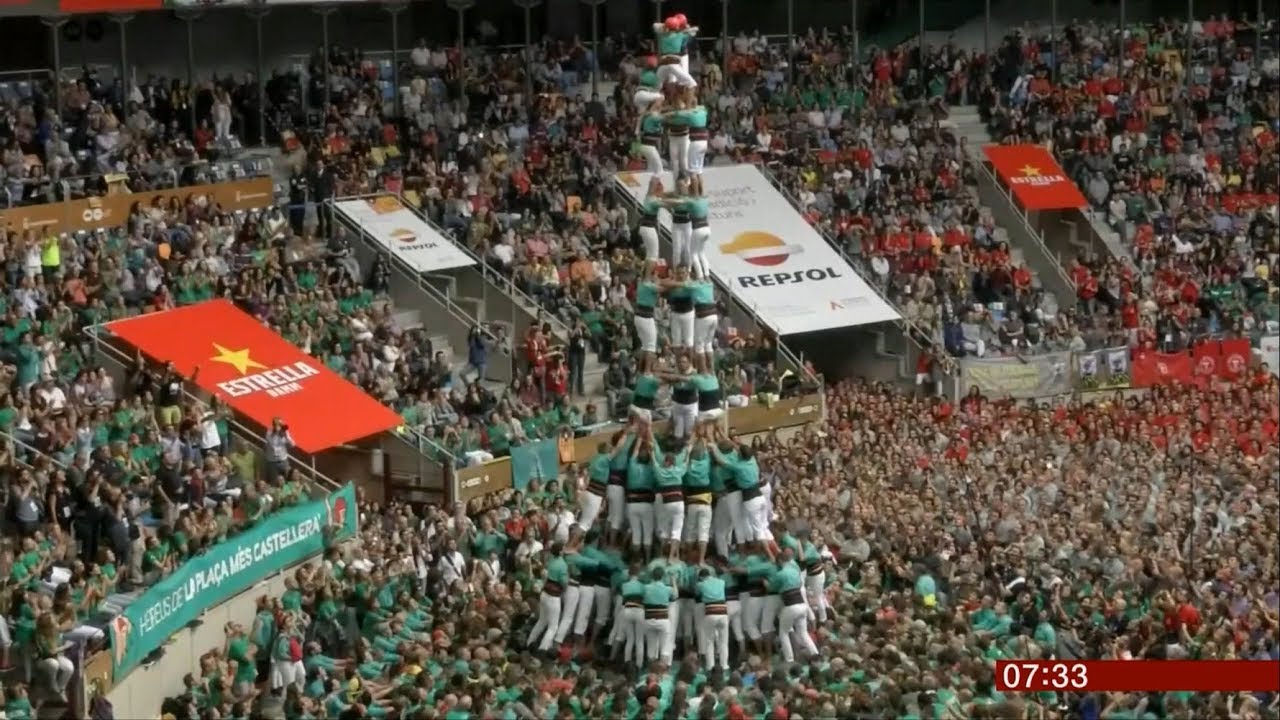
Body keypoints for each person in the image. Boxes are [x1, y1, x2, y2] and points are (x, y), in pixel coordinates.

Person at [648, 424, 688, 562]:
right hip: (679, 502)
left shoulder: (660, 472)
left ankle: (663, 554)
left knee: (664, 529)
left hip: (667, 502)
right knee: (677, 530)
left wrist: (652, 453)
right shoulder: (678, 471)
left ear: (666, 461)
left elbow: (654, 463)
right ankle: (673, 556)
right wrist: (687, 453)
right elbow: (686, 463)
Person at [772, 548, 818, 662]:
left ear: (779, 562)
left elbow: (772, 587)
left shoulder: (780, 574)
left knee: (783, 632)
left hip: (790, 606)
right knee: (803, 632)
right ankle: (815, 654)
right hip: (802, 605)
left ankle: (790, 659)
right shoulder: (795, 571)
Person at [526, 542, 568, 653]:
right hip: (554, 596)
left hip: (545, 593)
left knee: (542, 621)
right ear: (560, 551)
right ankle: (543, 649)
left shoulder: (551, 561)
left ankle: (529, 642)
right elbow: (564, 582)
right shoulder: (562, 564)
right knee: (553, 626)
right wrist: (565, 588)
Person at [624, 430, 656, 560]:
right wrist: (649, 442)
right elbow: (654, 457)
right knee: (647, 534)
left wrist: (639, 438)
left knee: (636, 534)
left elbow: (635, 450)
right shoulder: (651, 468)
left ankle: (635, 560)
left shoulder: (632, 465)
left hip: (632, 504)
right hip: (647, 503)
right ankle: (647, 560)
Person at [695, 566, 729, 672]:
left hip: (710, 612)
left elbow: (697, 593)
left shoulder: (700, 584)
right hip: (723, 612)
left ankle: (710, 666)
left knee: (709, 641)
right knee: (723, 641)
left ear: (701, 577)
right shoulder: (722, 582)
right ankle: (724, 665)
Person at [641, 566, 676, 666]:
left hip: (648, 619)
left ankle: (651, 671)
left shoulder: (645, 588)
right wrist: (673, 581)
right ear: (663, 576)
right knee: (665, 648)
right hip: (663, 620)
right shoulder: (667, 588)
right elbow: (676, 595)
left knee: (651, 648)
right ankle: (663, 672)